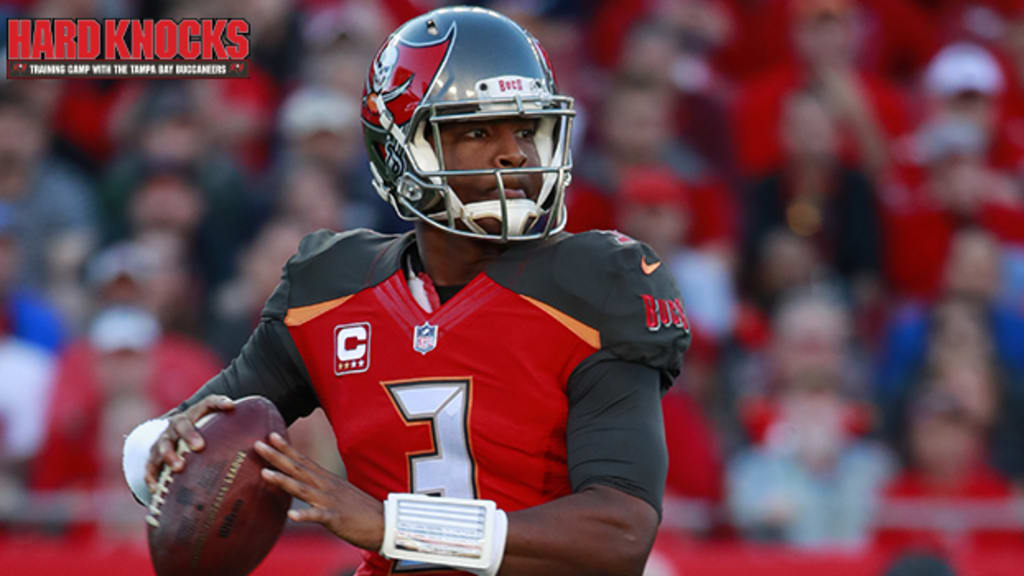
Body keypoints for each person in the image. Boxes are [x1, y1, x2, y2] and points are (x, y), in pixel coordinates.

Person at [123, 7, 690, 576]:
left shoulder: (594, 285)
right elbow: (201, 431)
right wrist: (162, 453)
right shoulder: (329, 288)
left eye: (525, 129)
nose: (515, 154)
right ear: (405, 151)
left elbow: (620, 533)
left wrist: (395, 524)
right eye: (476, 130)